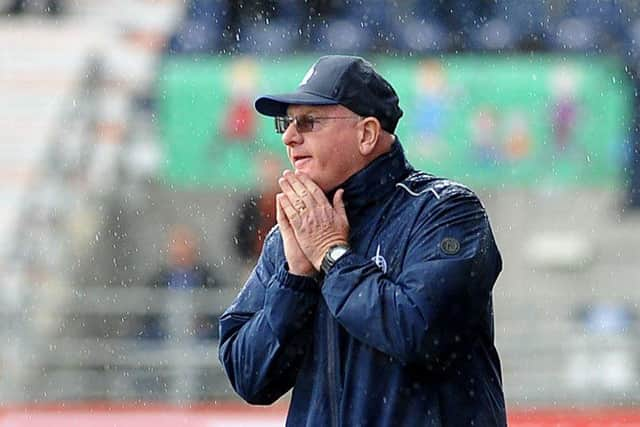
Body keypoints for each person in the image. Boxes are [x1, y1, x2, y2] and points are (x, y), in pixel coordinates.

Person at [218, 55, 506, 426]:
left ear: (367, 134)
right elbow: (248, 377)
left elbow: (421, 334)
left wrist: (332, 256)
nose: (289, 136)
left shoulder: (447, 212)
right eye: (286, 122)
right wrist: (296, 279)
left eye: (309, 121)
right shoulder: (295, 234)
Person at [139, 224, 223, 340]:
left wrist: (205, 324)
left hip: (202, 342)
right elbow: (146, 316)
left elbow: (218, 313)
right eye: (177, 245)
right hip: (162, 339)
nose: (180, 251)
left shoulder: (209, 279)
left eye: (185, 245)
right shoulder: (158, 280)